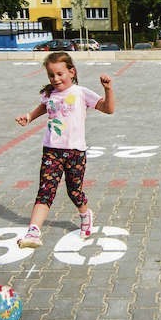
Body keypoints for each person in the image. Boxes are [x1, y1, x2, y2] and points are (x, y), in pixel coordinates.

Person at [15, 51, 114, 248]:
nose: (55, 78)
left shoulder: (80, 92)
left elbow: (108, 109)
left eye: (60, 73)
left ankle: (86, 214)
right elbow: (44, 106)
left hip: (75, 152)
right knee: (45, 191)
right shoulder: (49, 93)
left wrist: (108, 89)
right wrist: (29, 116)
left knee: (74, 191)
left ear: (72, 72)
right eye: (51, 75)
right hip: (51, 151)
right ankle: (33, 232)